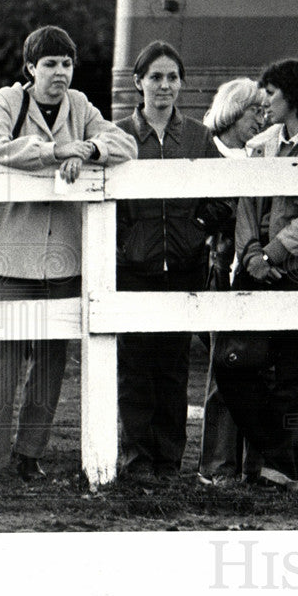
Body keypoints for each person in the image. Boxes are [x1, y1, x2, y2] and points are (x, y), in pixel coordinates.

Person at [0, 25, 137, 490]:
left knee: (51, 359)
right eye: (50, 64)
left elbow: (125, 143)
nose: (59, 73)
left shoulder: (81, 106)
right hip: (7, 256)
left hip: (64, 258)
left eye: (66, 64)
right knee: (2, 356)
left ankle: (29, 455)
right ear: (30, 68)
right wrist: (56, 149)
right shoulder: (7, 100)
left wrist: (91, 150)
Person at [214, 59, 298, 491]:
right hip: (257, 264)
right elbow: (247, 206)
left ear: (292, 96)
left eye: (271, 93)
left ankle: (282, 469)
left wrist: (270, 255)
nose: (264, 101)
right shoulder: (263, 144)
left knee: (292, 371)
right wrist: (252, 253)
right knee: (232, 366)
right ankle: (284, 445)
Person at [115, 41, 225, 484]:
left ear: (182, 83)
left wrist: (197, 226)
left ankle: (168, 461)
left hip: (183, 268)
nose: (164, 85)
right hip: (134, 269)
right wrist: (127, 240)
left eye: (172, 77)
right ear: (138, 82)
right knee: (135, 365)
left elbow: (223, 195)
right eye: (156, 77)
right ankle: (136, 458)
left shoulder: (199, 137)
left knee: (174, 365)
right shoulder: (119, 133)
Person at [196, 78, 267, 486]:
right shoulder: (211, 153)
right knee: (223, 364)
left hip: (251, 270)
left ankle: (253, 464)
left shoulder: (257, 157)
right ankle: (217, 465)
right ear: (233, 112)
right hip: (218, 268)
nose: (261, 119)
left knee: (255, 367)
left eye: (262, 111)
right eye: (254, 111)